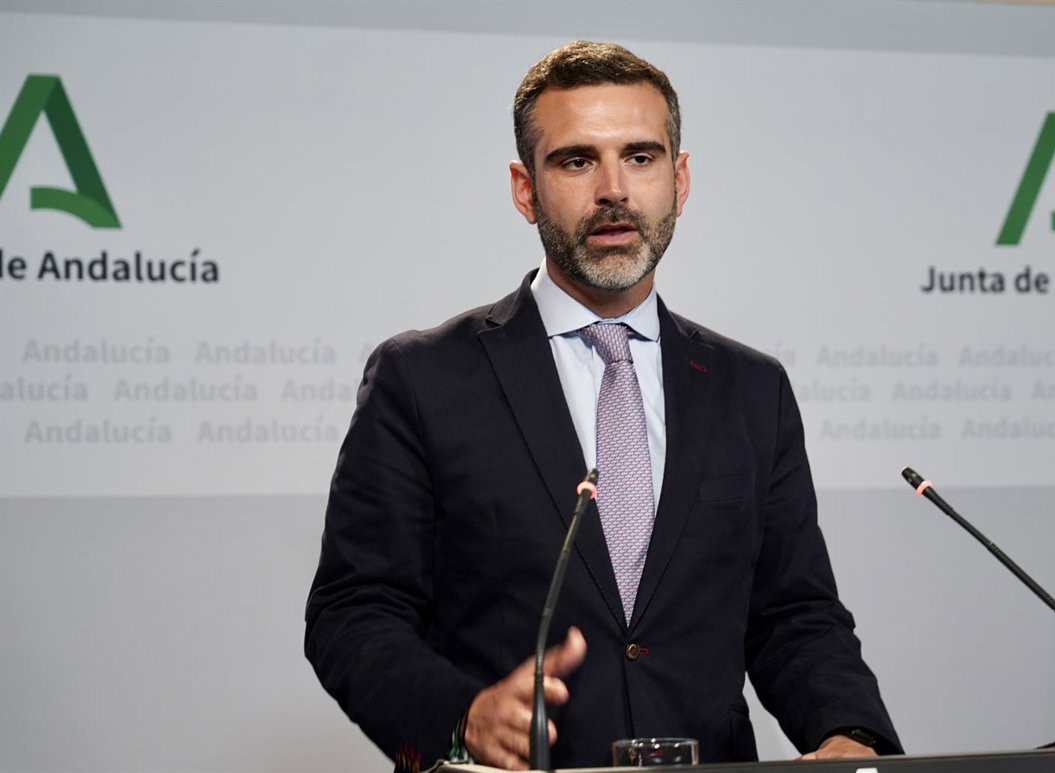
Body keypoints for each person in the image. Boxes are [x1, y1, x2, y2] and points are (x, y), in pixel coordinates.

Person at [305, 41, 900, 771]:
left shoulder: (750, 388)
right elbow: (352, 613)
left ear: (680, 180)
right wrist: (460, 715)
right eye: (577, 161)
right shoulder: (424, 378)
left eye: (641, 157)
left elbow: (793, 614)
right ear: (525, 190)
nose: (614, 189)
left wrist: (849, 733)